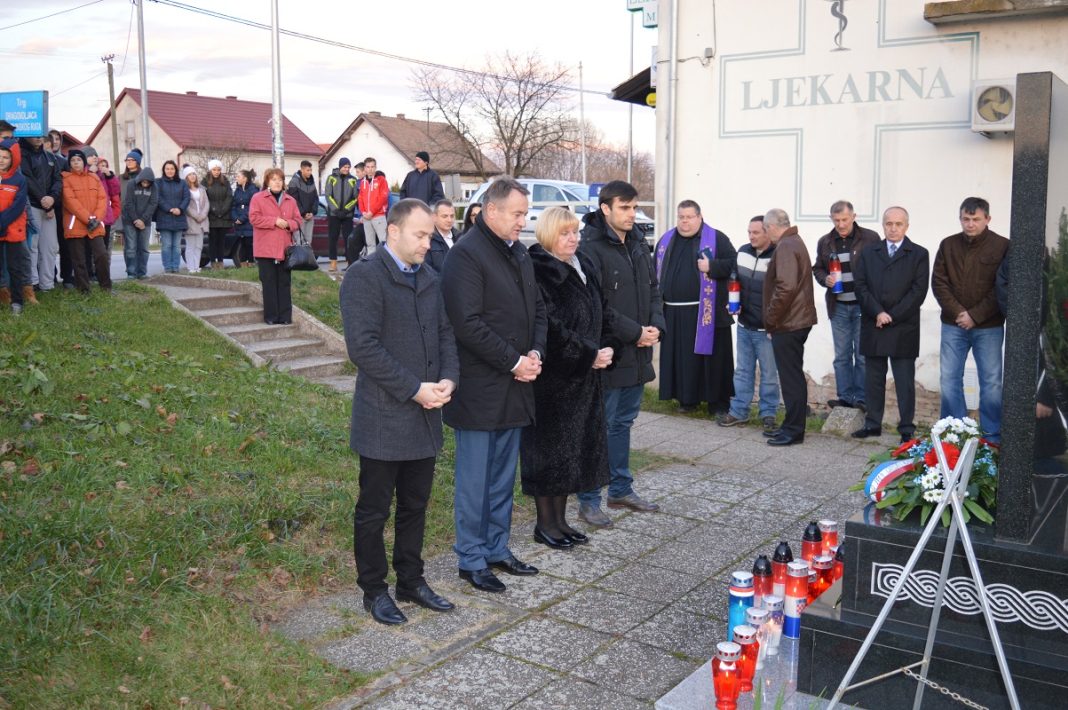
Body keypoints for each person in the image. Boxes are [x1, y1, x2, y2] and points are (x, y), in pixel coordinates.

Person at [340, 198, 459, 625]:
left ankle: (411, 579)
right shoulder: (365, 277)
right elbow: (364, 348)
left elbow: (446, 335)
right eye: (421, 235)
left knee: (416, 504)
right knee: (374, 510)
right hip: (383, 417)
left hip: (425, 414)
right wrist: (414, 389)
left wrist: (448, 379)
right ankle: (374, 589)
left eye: (431, 235)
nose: (429, 243)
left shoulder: (428, 277)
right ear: (393, 231)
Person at [440, 177, 547, 593]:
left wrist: (535, 353)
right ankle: (471, 557)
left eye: (525, 213)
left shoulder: (518, 252)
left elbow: (538, 309)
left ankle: (497, 547)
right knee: (475, 480)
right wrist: (514, 361)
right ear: (491, 211)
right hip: (480, 388)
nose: (524, 221)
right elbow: (466, 324)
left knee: (504, 476)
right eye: (518, 213)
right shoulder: (466, 256)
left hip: (517, 384)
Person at [521, 207, 612, 549]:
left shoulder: (582, 264)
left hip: (583, 379)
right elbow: (552, 328)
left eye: (575, 232)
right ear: (547, 235)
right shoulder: (540, 270)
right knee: (548, 455)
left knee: (570, 454)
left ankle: (560, 522)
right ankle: (545, 525)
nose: (572, 238)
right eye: (564, 233)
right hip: (554, 379)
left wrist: (608, 347)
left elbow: (600, 310)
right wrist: (589, 354)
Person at [576, 180, 665, 526]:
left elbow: (654, 290)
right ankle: (588, 499)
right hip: (609, 354)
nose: (632, 213)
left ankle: (620, 489)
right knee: (598, 425)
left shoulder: (639, 243)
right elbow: (598, 306)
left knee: (623, 423)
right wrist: (636, 332)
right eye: (625, 207)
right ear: (605, 209)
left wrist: (655, 326)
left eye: (634, 207)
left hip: (637, 354)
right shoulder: (590, 248)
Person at [931, 196, 1010, 443]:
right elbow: (939, 282)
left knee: (992, 381)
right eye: (966, 219)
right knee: (949, 377)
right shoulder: (948, 245)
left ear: (988, 219)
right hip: (953, 324)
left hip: (989, 326)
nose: (970, 224)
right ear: (960, 218)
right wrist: (959, 313)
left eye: (976, 219)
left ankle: (992, 435)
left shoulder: (1003, 246)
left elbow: (1002, 287)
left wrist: (975, 316)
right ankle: (955, 432)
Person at [852, 207, 930, 443]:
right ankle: (873, 423)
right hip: (874, 322)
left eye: (898, 224)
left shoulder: (918, 254)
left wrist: (891, 315)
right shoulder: (868, 252)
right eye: (889, 224)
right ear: (883, 225)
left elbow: (918, 291)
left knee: (904, 380)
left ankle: (906, 426)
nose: (893, 228)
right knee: (873, 378)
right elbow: (861, 286)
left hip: (903, 325)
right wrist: (878, 312)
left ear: (907, 226)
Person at [656, 199, 737, 415]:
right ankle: (686, 399)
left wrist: (713, 266)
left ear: (699, 217)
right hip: (674, 312)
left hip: (707, 311)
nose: (685, 222)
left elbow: (734, 264)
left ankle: (717, 403)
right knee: (683, 359)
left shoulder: (716, 238)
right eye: (681, 217)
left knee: (712, 360)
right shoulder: (666, 240)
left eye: (689, 217)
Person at [812, 201, 880, 411]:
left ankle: (861, 398)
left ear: (854, 216)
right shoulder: (825, 241)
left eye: (844, 219)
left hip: (862, 306)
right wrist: (825, 280)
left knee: (861, 355)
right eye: (836, 220)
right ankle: (845, 396)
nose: (841, 224)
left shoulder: (870, 238)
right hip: (838, 306)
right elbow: (818, 269)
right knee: (841, 356)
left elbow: (879, 269)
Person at [719, 215, 780, 431]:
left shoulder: (778, 255)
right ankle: (739, 412)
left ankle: (769, 414)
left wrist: (775, 322)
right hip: (744, 324)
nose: (751, 237)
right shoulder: (743, 251)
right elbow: (734, 279)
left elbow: (781, 292)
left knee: (769, 374)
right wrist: (732, 302)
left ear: (767, 233)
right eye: (749, 232)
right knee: (743, 371)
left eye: (756, 233)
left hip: (767, 328)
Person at [763, 208, 817, 446]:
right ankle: (790, 425)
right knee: (792, 375)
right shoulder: (794, 241)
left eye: (765, 229)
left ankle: (794, 430)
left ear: (773, 227)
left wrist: (771, 319)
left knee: (790, 377)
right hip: (796, 320)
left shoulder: (786, 246)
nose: (766, 234)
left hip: (789, 322)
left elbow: (785, 288)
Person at [250, 168, 300, 325]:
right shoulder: (258, 198)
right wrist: (274, 221)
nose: (277, 182)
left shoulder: (290, 200)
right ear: (267, 182)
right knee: (269, 283)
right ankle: (271, 317)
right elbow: (254, 218)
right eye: (273, 179)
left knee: (284, 283)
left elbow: (298, 220)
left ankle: (285, 317)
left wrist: (288, 224)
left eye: (280, 179)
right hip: (265, 249)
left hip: (285, 249)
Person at [60, 149, 111, 293]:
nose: (76, 163)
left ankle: (106, 287)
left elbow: (102, 199)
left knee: (101, 255)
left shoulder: (94, 178)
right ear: (69, 163)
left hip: (95, 224)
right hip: (75, 224)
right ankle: (83, 290)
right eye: (73, 160)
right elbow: (70, 202)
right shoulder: (66, 179)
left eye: (79, 160)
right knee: (79, 259)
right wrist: (88, 219)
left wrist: (96, 218)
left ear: (84, 162)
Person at [19, 134, 62, 291]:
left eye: (40, 136)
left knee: (50, 247)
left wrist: (52, 198)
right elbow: (27, 179)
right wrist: (45, 201)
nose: (38, 138)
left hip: (49, 208)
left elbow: (58, 180)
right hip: (32, 207)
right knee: (33, 247)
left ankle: (47, 284)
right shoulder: (22, 154)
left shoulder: (50, 157)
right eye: (34, 135)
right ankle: (33, 284)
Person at [0, 138, 36, 313]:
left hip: (13, 228)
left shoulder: (19, 179)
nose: (1, 160)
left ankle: (17, 302)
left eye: (5, 157)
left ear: (13, 159)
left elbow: (18, 206)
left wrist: (2, 222)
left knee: (15, 267)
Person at [120, 165, 157, 280]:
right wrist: (136, 219)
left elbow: (153, 204)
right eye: (144, 182)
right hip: (130, 221)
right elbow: (128, 203)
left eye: (148, 183)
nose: (145, 184)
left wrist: (143, 220)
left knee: (144, 248)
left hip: (145, 222)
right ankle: (131, 272)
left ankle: (142, 272)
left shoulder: (154, 187)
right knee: (131, 247)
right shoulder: (131, 184)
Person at [324, 157, 358, 272]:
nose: (346, 169)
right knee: (333, 238)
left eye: (348, 167)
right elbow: (328, 195)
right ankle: (333, 263)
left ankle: (349, 262)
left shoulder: (353, 180)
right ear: (340, 167)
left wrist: (346, 210)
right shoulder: (331, 178)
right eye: (345, 167)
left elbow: (355, 198)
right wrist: (336, 210)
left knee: (348, 239)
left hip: (347, 216)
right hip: (334, 215)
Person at [155, 160, 189, 274]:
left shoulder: (182, 183)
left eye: (172, 169)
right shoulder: (158, 183)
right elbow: (158, 198)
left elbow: (186, 198)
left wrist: (180, 209)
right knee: (167, 245)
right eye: (167, 169)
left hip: (179, 218)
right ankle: (168, 267)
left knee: (177, 246)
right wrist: (169, 209)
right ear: (164, 170)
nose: (170, 171)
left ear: (176, 170)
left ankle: (175, 267)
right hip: (164, 218)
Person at [204, 159, 233, 270]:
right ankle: (213, 262)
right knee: (212, 241)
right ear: (210, 170)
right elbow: (204, 197)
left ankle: (220, 262)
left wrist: (223, 210)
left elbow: (229, 197)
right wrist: (214, 210)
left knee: (221, 241)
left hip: (224, 217)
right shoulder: (205, 181)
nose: (216, 172)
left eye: (218, 170)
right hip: (211, 216)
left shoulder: (225, 181)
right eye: (214, 170)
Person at [358, 157, 389, 255]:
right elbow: (360, 199)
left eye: (372, 167)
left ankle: (386, 266)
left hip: (378, 216)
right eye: (368, 167)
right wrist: (363, 212)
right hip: (366, 217)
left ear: (375, 167)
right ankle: (372, 267)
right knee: (370, 244)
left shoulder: (381, 180)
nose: (370, 169)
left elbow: (382, 198)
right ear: (365, 168)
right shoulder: (363, 182)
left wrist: (372, 212)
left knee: (384, 243)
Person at [182, 166, 209, 273]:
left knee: (199, 246)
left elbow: (207, 203)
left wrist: (202, 215)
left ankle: (197, 266)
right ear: (186, 177)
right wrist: (196, 216)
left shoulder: (202, 190)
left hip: (202, 221)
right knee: (190, 246)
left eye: (193, 174)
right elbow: (186, 206)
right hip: (191, 221)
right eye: (189, 174)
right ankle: (191, 267)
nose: (192, 176)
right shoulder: (185, 190)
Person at [287, 160, 319, 248]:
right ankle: (299, 262)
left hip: (310, 217)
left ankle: (306, 261)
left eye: (311, 170)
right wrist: (303, 213)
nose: (310, 172)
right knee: (298, 242)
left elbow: (316, 198)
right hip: (299, 217)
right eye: (307, 170)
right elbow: (294, 200)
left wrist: (312, 212)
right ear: (302, 170)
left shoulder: (312, 182)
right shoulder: (294, 182)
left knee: (308, 242)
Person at [231, 170, 257, 267]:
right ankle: (243, 266)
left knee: (249, 244)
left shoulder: (253, 190)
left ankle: (250, 264)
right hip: (238, 223)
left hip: (249, 222)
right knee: (241, 244)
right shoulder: (237, 190)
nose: (236, 178)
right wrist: (235, 218)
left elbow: (253, 207)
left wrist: (242, 218)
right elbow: (233, 206)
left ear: (245, 178)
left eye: (238, 176)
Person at [427, 198, 460, 272]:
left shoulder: (460, 237)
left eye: (452, 216)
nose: (449, 220)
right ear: (434, 217)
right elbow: (427, 271)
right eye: (445, 216)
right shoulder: (427, 240)